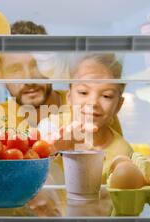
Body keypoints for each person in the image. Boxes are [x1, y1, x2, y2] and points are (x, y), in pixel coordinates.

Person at [0, 21, 123, 141]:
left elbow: (113, 164)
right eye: (15, 69)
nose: (29, 79)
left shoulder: (89, 106)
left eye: (37, 65)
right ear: (0, 75)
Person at [39, 53, 134, 184]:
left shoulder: (122, 151)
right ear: (69, 98)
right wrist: (53, 149)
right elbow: (34, 158)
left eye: (106, 96)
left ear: (118, 105)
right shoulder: (52, 125)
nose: (93, 102)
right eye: (83, 92)